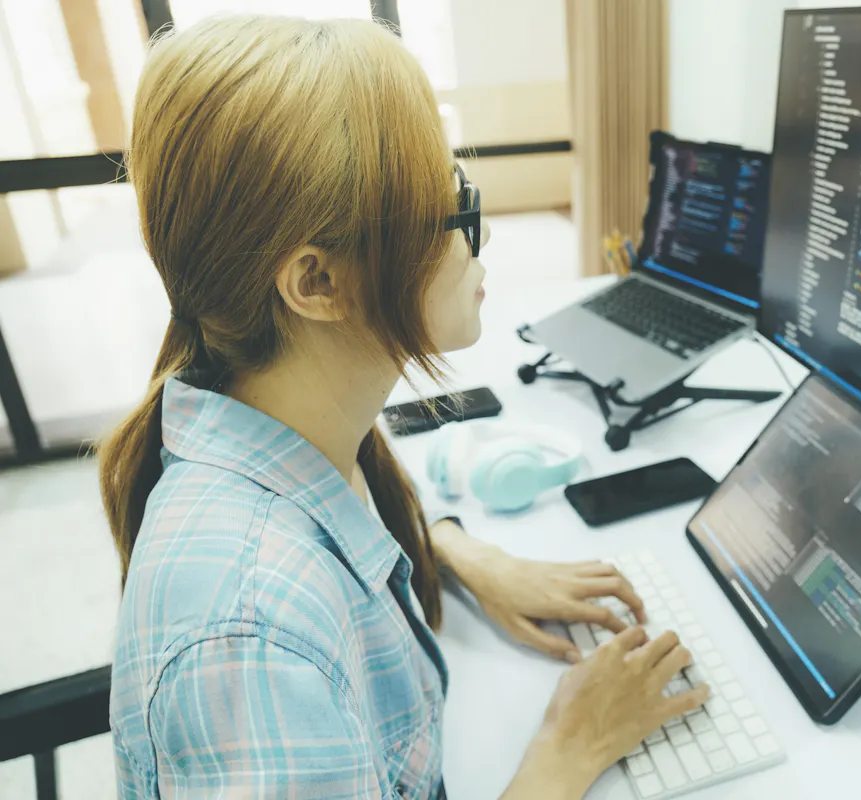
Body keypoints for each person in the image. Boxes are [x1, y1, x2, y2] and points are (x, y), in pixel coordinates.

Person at [98, 15, 707, 799]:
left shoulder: (290, 415)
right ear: (316, 284)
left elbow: (329, 523)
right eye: (450, 207)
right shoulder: (248, 647)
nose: (474, 242)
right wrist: (567, 748)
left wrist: (455, 552)